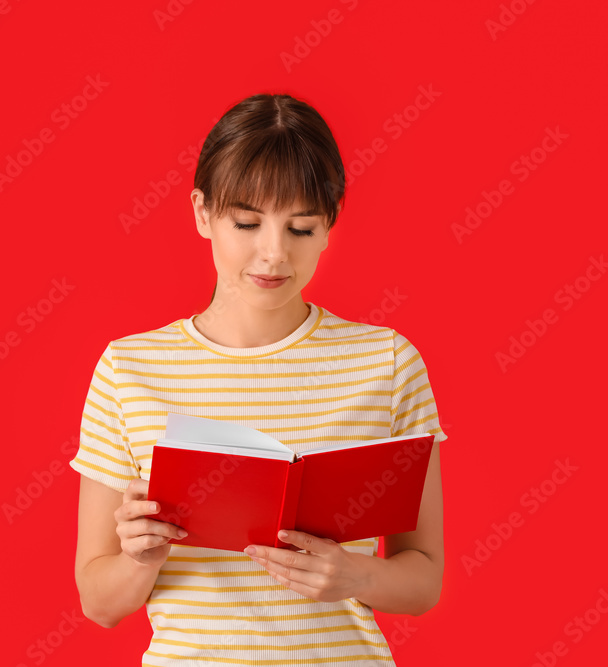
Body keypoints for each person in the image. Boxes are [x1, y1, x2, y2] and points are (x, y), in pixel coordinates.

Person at [70, 92, 448, 665]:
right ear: (202, 213)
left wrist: (356, 576)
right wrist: (139, 559)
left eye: (301, 228)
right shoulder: (130, 369)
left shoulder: (388, 363)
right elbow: (99, 603)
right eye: (247, 222)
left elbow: (423, 581)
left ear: (330, 224)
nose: (273, 254)